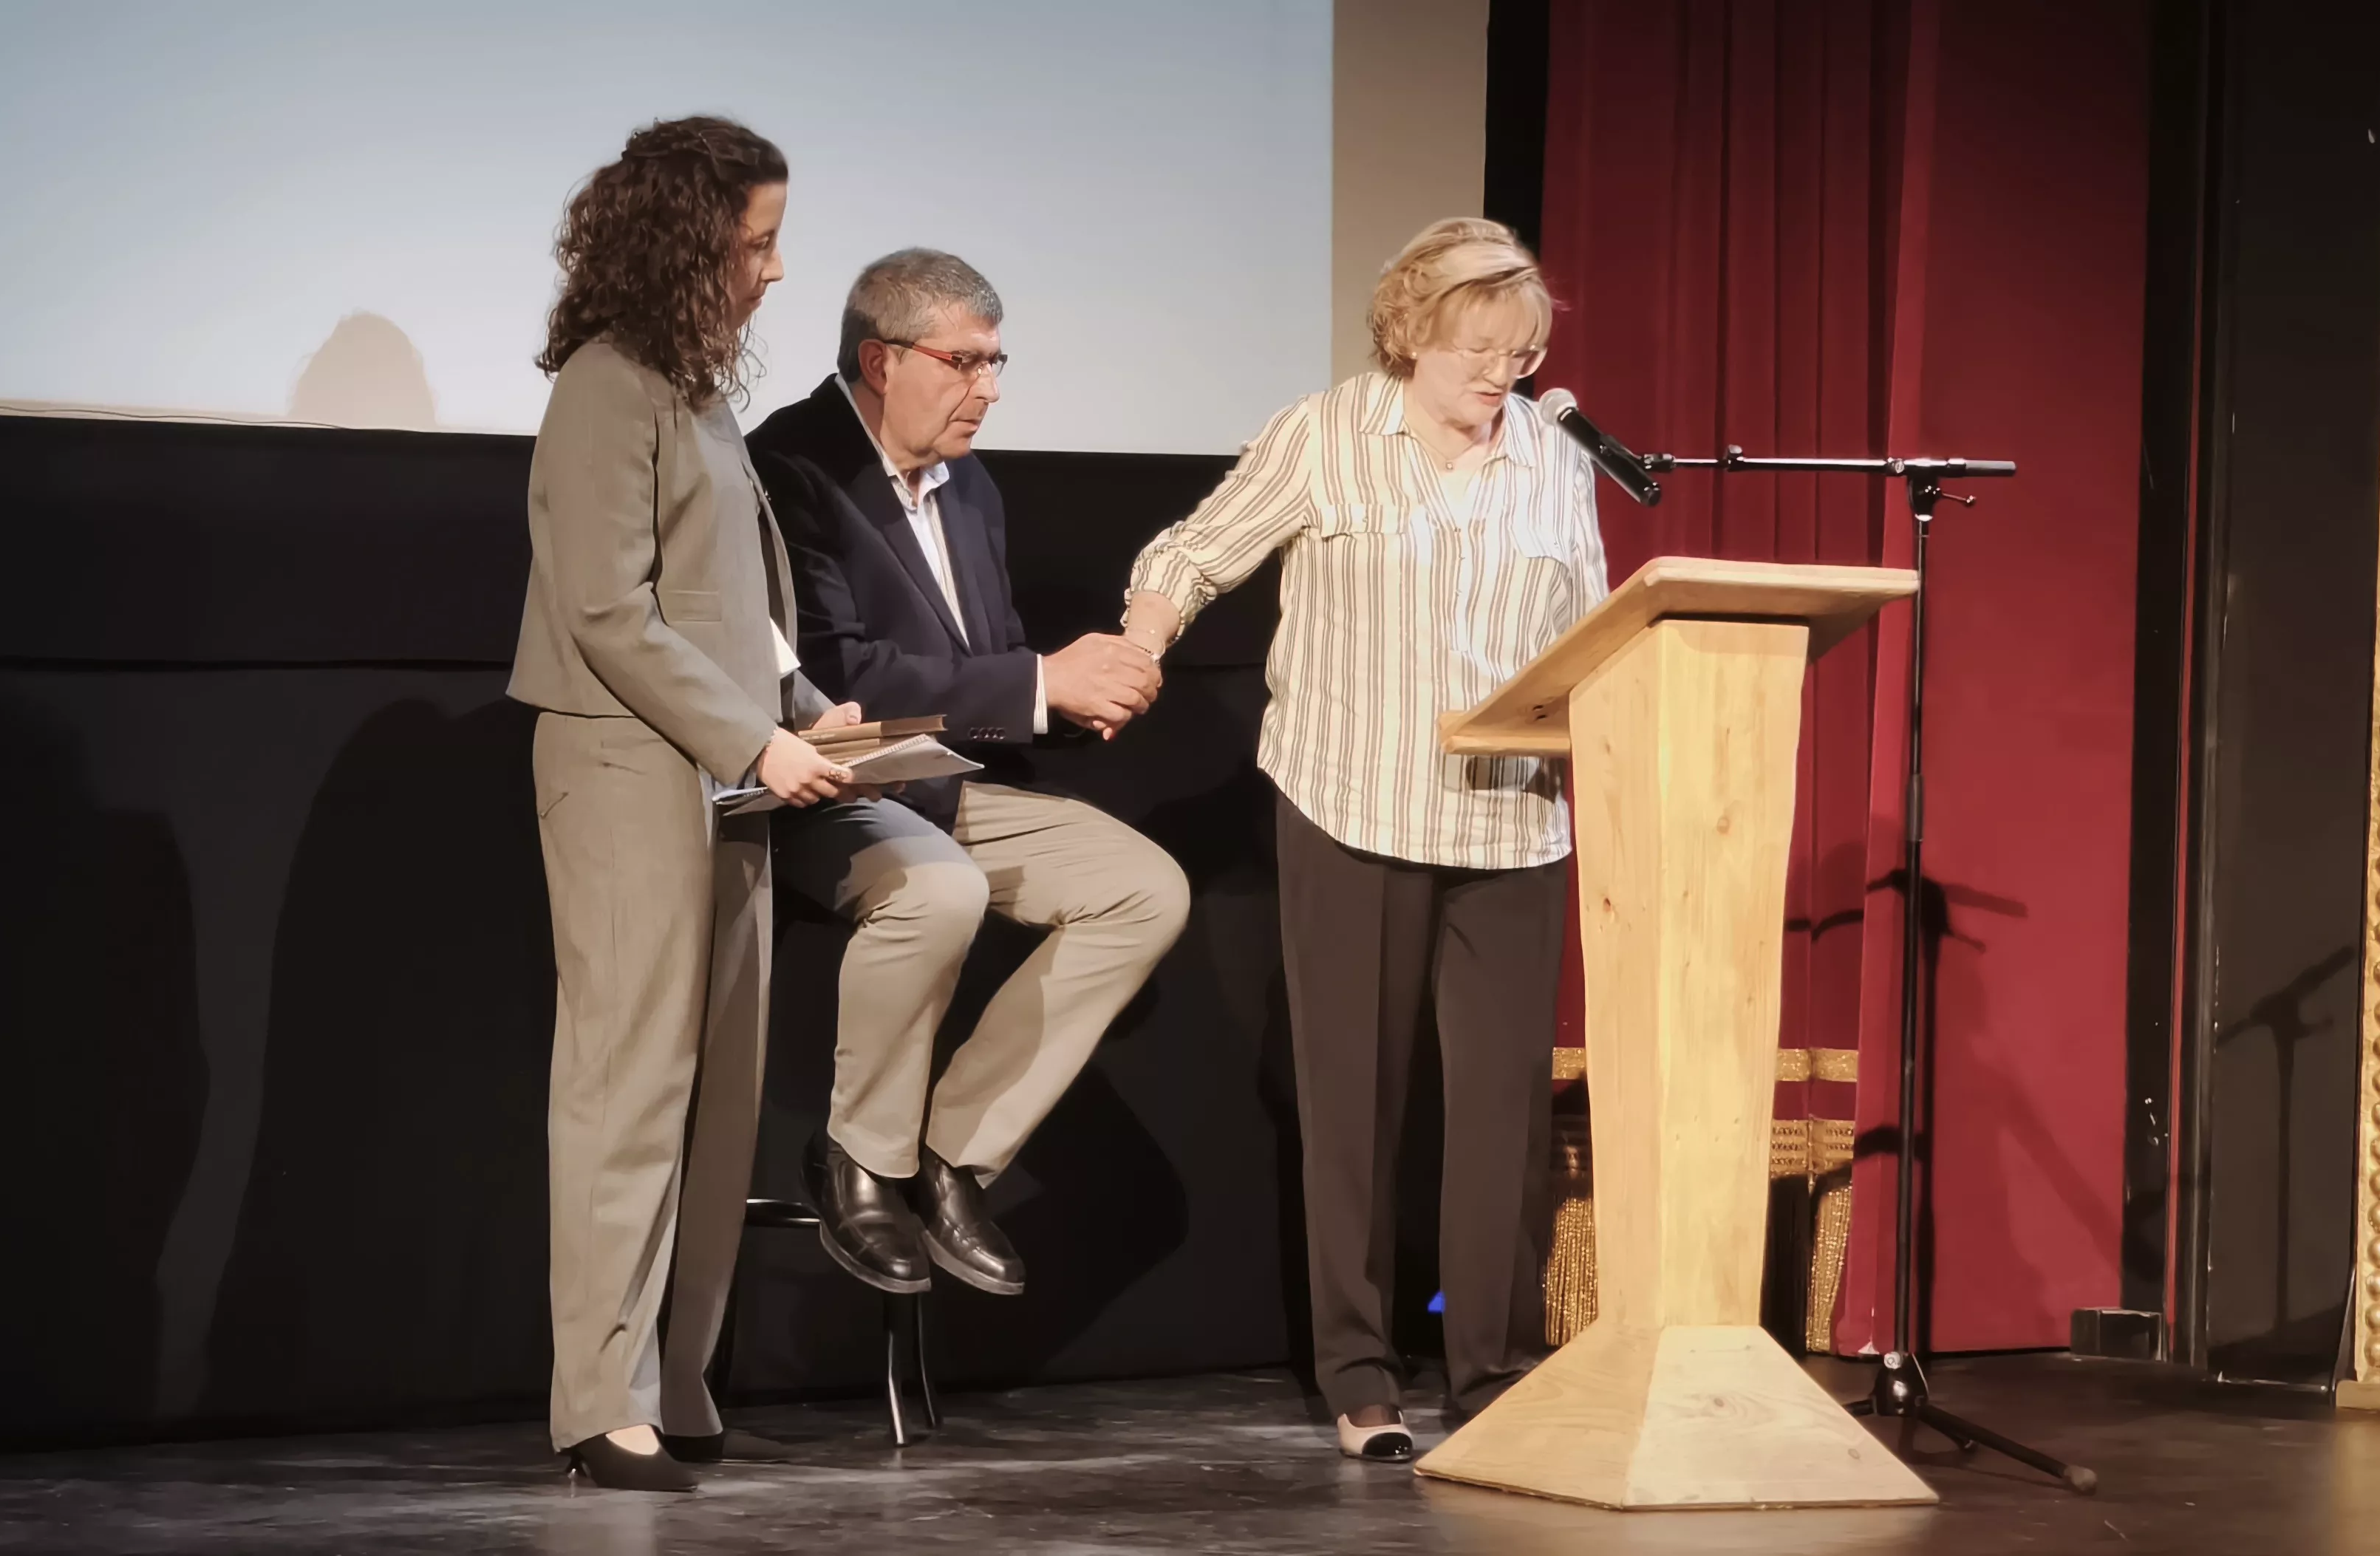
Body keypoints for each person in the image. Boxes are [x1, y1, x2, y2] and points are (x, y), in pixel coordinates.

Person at [1120, 219, 1608, 1461]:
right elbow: (1193, 551)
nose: (1498, 375)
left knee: (1500, 1112)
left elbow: (1597, 629)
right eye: (1475, 351)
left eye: (1519, 351)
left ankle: (1492, 1370)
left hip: (1511, 815)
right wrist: (1144, 639)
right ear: (1411, 334)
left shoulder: (1555, 456)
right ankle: (1360, 1370)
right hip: (1353, 802)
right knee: (1359, 1102)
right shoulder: (1326, 433)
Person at [509, 115, 871, 1492]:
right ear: (688, 240)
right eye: (758, 242)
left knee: (719, 1089)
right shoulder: (607, 384)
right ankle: (600, 1399)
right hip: (623, 763)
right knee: (627, 1083)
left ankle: (678, 1378)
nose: (777, 270)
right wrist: (751, 736)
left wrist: (793, 703)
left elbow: (723, 589)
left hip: (721, 765)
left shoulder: (697, 383)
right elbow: (607, 608)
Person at [749, 249, 1189, 1300]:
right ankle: (860, 1159)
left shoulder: (971, 484)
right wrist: (1043, 679)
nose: (988, 389)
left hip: (946, 784)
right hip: (827, 785)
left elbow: (988, 668)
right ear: (881, 359)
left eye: (998, 363)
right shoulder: (789, 467)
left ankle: (947, 1154)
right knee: (939, 887)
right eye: (966, 362)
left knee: (1145, 890)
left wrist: (1085, 696)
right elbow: (834, 670)